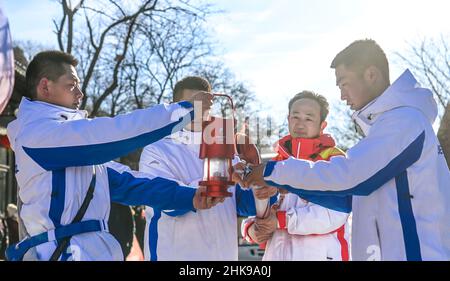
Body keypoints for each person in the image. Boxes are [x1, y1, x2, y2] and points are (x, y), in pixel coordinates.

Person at [241, 39, 450, 261]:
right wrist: (282, 188)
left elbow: (350, 176)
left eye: (344, 83)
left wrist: (272, 173)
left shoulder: (403, 121)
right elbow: (345, 199)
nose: (342, 95)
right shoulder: (388, 127)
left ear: (371, 74)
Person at [6, 51, 219, 261]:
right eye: (71, 85)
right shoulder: (37, 135)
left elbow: (130, 183)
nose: (80, 93)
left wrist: (189, 196)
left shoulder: (71, 147)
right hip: (60, 252)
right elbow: (116, 132)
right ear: (45, 86)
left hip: (83, 251)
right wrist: (185, 111)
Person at [139, 76, 262, 260]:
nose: (199, 111)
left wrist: (259, 177)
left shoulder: (225, 148)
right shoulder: (156, 149)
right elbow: (170, 203)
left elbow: (246, 205)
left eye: (204, 106)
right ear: (175, 105)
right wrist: (221, 176)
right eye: (192, 105)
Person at [241, 91, 350, 261]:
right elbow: (254, 208)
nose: (300, 124)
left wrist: (280, 221)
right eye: (295, 117)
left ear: (322, 125)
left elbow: (334, 214)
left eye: (308, 118)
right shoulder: (273, 165)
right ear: (288, 119)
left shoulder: (334, 159)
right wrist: (251, 229)